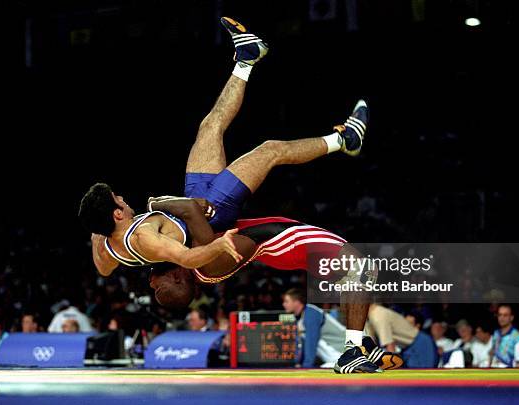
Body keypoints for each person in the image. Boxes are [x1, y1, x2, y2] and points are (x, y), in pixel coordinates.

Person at [82, 17, 376, 374]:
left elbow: (102, 258)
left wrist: (98, 228)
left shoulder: (110, 250)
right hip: (211, 213)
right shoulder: (150, 241)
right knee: (267, 151)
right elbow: (191, 232)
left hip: (199, 207)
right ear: (116, 215)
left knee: (210, 126)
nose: (151, 279)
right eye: (118, 201)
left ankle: (247, 58)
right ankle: (344, 141)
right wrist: (157, 204)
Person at [366, 304, 437, 368]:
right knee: (412, 378)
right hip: (407, 348)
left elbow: (390, 345)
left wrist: (392, 369)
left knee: (424, 377)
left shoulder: (378, 315)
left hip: (421, 343)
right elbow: (372, 343)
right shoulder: (370, 317)